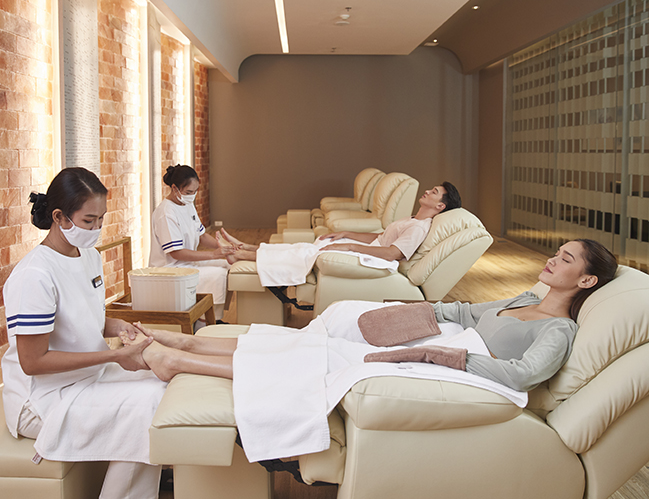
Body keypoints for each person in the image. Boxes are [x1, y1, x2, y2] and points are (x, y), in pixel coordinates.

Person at [118, 238, 618, 392]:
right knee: (313, 346)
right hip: (443, 350)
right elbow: (464, 309)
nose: (554, 258)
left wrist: (444, 356)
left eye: (568, 259)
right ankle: (186, 345)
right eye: (558, 251)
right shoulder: (522, 301)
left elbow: (524, 375)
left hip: (456, 373)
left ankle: (181, 359)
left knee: (320, 359)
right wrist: (408, 309)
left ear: (587, 281)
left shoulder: (558, 328)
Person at [1, 167, 165, 499]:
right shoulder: (34, 275)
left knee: (161, 382)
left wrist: (118, 326)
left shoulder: (87, 254)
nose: (96, 230)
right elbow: (33, 362)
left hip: (88, 376)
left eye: (101, 219)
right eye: (89, 221)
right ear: (59, 217)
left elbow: (84, 316)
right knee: (146, 403)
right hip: (42, 398)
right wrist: (114, 359)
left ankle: (135, 481)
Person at [217, 181, 463, 265]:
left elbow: (392, 253)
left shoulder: (419, 227)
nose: (428, 191)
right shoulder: (412, 219)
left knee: (306, 253)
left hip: (373, 261)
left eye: (434, 192)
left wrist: (350, 247)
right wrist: (346, 234)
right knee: (306, 246)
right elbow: (379, 238)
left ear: (440, 206)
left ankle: (241, 254)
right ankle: (246, 248)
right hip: (369, 251)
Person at [149, 164, 233, 321]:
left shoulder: (186, 205)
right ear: (174, 188)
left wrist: (226, 246)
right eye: (188, 192)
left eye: (195, 192)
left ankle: (214, 318)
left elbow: (201, 236)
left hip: (186, 264)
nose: (192, 196)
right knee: (218, 274)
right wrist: (213, 255)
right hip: (170, 269)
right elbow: (176, 252)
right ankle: (204, 322)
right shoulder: (166, 213)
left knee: (228, 266)